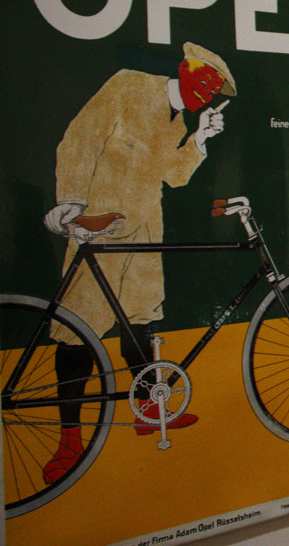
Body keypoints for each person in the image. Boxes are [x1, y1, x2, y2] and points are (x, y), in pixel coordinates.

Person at [40, 42, 235, 483]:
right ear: (185, 70)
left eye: (213, 92)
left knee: (141, 325)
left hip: (146, 233)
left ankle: (149, 410)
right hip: (103, 231)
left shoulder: (178, 120)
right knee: (77, 333)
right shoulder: (129, 85)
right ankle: (69, 439)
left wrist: (200, 137)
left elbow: (174, 176)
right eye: (205, 83)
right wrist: (72, 201)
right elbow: (81, 137)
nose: (207, 94)